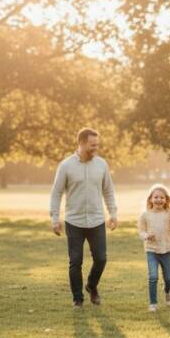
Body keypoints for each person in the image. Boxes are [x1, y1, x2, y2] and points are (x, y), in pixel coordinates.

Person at [49, 128, 118, 308]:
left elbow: (108, 191)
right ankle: (77, 299)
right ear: (81, 143)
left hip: (96, 220)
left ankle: (91, 286)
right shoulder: (66, 166)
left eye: (97, 144)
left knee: (101, 258)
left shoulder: (102, 164)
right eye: (92, 144)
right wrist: (55, 218)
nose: (96, 148)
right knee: (75, 261)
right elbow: (56, 193)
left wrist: (113, 214)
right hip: (74, 221)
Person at [138, 184, 170, 312]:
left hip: (166, 249)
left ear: (166, 200)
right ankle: (153, 303)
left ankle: (167, 291)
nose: (159, 199)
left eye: (162, 197)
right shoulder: (145, 215)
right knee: (153, 276)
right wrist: (146, 236)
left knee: (168, 278)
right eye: (156, 197)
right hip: (151, 250)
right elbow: (141, 231)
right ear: (150, 199)